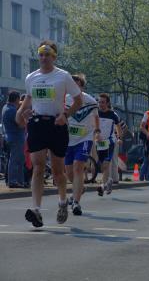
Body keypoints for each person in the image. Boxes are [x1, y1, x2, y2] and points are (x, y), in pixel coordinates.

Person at [16, 40, 82, 228]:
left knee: (58, 171)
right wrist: (22, 112)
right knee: (37, 167)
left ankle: (62, 202)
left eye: (47, 54)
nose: (43, 58)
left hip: (56, 125)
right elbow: (29, 98)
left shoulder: (63, 76)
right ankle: (36, 210)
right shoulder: (31, 77)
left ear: (54, 57)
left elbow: (78, 100)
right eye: (41, 54)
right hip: (37, 124)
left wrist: (66, 114)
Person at [64, 74, 99, 215]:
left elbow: (96, 116)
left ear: (81, 86)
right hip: (68, 139)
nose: (74, 87)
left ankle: (76, 203)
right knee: (69, 172)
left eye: (77, 84)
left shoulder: (90, 101)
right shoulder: (64, 99)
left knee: (78, 166)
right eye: (72, 84)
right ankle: (79, 188)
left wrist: (97, 131)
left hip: (85, 138)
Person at [96, 93, 122, 196]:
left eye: (103, 102)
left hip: (110, 142)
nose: (100, 104)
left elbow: (118, 127)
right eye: (99, 102)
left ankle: (102, 186)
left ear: (107, 103)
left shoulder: (113, 115)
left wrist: (119, 138)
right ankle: (109, 181)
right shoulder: (96, 113)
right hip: (98, 143)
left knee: (106, 165)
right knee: (102, 167)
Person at [1, 91, 26, 188]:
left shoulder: (5, 108)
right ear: (16, 99)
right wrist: (25, 118)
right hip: (16, 138)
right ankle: (13, 181)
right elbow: (20, 124)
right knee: (15, 160)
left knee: (15, 160)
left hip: (9, 136)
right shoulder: (13, 110)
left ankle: (18, 181)